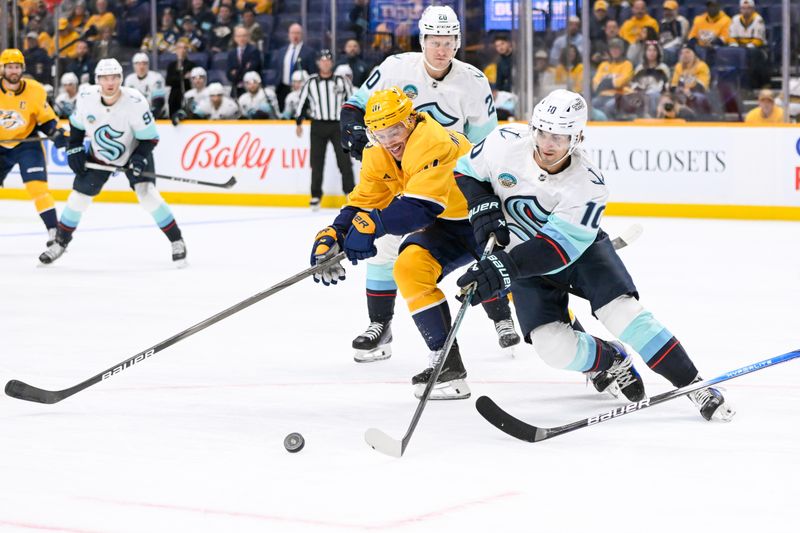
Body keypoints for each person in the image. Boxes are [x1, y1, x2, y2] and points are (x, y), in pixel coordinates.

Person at [453, 89, 735, 422]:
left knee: (626, 316)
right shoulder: (504, 142)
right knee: (552, 348)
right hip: (522, 260)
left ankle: (694, 385)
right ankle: (611, 360)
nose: (547, 143)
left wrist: (502, 268)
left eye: (559, 136)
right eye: (542, 131)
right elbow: (466, 170)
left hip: (579, 255)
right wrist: (481, 205)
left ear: (578, 136)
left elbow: (555, 249)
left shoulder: (588, 184)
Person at [339, 5, 519, 362]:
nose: (442, 50)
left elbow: (485, 146)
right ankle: (380, 326)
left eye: (449, 42)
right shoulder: (395, 68)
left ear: (458, 42)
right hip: (403, 178)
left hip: (451, 183)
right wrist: (354, 131)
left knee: (486, 246)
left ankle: (501, 316)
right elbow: (355, 106)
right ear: (422, 40)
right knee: (387, 244)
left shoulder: (474, 81)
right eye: (435, 42)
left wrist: (487, 191)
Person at [310, 87, 476, 399]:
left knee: (532, 293)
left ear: (410, 120)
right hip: (449, 224)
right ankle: (446, 364)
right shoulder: (378, 152)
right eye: (380, 133)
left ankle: (594, 360)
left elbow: (419, 209)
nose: (390, 141)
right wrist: (336, 233)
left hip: (490, 220)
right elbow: (365, 201)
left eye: (395, 130)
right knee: (409, 267)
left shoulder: (432, 141)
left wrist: (373, 226)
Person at [39, 59, 188, 266]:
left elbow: (150, 138)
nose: (110, 83)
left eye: (114, 77)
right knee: (78, 198)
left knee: (147, 196)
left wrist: (137, 159)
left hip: (134, 151)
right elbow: (76, 125)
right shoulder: (85, 97)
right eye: (105, 78)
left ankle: (177, 240)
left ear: (120, 78)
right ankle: (60, 242)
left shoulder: (135, 102)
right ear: (97, 80)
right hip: (100, 156)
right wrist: (74, 147)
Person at [0, 48, 64, 247]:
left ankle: (54, 232)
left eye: (17, 67)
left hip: (26, 143)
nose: (13, 71)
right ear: (2, 69)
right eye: (9, 67)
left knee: (38, 188)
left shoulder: (35, 90)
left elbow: (46, 120)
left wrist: (56, 133)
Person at [295, 50, 355, 210]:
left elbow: (351, 102)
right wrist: (298, 122)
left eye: (328, 59)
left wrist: (351, 122)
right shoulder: (311, 82)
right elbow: (302, 102)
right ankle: (315, 196)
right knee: (316, 162)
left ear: (332, 62)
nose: (325, 62)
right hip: (318, 125)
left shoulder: (342, 81)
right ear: (318, 63)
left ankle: (350, 192)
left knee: (344, 161)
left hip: (338, 125)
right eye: (322, 60)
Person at [271, 23, 317, 108]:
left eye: (297, 33)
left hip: (300, 90)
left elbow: (312, 72)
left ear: (302, 35)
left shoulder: (309, 52)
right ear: (289, 34)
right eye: (293, 33)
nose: (295, 35)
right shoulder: (281, 51)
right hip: (282, 88)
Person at [124, 53, 168, 118]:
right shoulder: (129, 79)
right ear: (134, 65)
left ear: (148, 65)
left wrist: (148, 117)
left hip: (157, 117)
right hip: (136, 116)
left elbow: (158, 103)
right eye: (138, 64)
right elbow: (127, 102)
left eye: (144, 63)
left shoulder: (156, 78)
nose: (141, 67)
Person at [165, 41, 198, 122]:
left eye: (184, 48)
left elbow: (189, 81)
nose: (182, 50)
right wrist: (183, 77)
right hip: (174, 95)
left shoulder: (191, 65)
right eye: (180, 48)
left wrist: (177, 79)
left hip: (186, 94)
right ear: (176, 50)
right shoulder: (171, 65)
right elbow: (168, 81)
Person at [227, 26, 262, 97]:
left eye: (244, 36)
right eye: (239, 36)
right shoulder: (232, 53)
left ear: (248, 37)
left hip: (251, 87)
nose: (241, 38)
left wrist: (236, 73)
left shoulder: (254, 51)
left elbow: (250, 70)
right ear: (235, 38)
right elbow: (228, 73)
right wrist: (243, 68)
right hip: (235, 88)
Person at [659, 0, 689, 64]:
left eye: (670, 10)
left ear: (676, 10)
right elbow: (661, 38)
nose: (667, 13)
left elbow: (680, 40)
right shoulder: (663, 22)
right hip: (665, 47)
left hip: (678, 48)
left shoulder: (681, 21)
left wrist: (665, 47)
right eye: (665, 10)